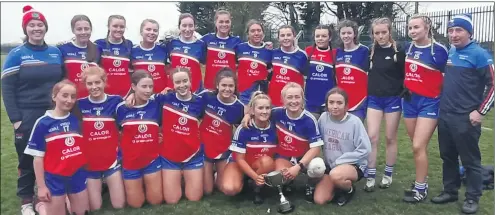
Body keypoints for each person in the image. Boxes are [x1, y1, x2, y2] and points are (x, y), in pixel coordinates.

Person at [1, 5, 64, 215]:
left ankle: (45, 193)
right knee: (27, 157)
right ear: (25, 28)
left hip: (53, 113)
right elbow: (7, 88)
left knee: (53, 155)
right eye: (32, 25)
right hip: (27, 114)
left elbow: (62, 82)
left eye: (40, 25)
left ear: (45, 28)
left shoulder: (55, 52)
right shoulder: (17, 54)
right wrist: (16, 119)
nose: (36, 28)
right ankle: (26, 201)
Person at [431, 14, 494, 214]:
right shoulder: (451, 52)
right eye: (451, 31)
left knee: (470, 160)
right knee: (448, 157)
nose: (454, 34)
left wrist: (480, 111)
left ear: (469, 32)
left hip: (466, 118)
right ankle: (450, 190)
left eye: (459, 30)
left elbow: (493, 85)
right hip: (446, 115)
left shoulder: (480, 54)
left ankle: (472, 197)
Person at [242, 82, 323, 202]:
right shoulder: (277, 113)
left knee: (318, 166)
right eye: (289, 97)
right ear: (283, 100)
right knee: (280, 177)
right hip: (284, 157)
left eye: (297, 97)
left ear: (302, 99)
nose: (293, 101)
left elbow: (316, 148)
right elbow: (260, 110)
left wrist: (298, 166)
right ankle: (288, 183)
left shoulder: (309, 119)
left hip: (304, 158)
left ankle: (310, 186)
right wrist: (248, 115)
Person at [24, 80, 90, 215]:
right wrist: (42, 187)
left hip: (76, 174)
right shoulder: (43, 123)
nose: (69, 100)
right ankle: (40, 205)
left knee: (83, 212)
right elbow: (37, 159)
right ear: (54, 96)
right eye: (64, 95)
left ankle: (64, 200)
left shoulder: (76, 120)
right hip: (54, 178)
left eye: (73, 96)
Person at [402, 14, 448, 203]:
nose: (412, 31)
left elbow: (448, 78)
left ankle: (420, 189)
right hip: (410, 102)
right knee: (417, 147)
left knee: (418, 145)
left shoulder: (439, 50)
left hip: (430, 103)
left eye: (416, 27)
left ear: (427, 28)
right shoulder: (408, 47)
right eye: (410, 28)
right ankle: (422, 181)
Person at [364, 17, 406, 192]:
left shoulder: (399, 52)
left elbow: (407, 75)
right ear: (373, 34)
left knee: (390, 138)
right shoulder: (370, 52)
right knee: (372, 137)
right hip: (374, 99)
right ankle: (371, 175)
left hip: (393, 100)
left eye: (384, 32)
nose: (380, 36)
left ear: (390, 32)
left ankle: (388, 174)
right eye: (377, 33)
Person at [76, 66, 125, 210]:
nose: (94, 87)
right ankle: (100, 186)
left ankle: (109, 183)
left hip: (112, 160)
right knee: (95, 207)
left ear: (104, 82)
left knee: (119, 205)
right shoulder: (79, 104)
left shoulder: (116, 101)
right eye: (90, 83)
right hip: (90, 162)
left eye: (97, 82)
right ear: (85, 85)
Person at [313, 87, 370, 206]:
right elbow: (316, 140)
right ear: (327, 104)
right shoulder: (323, 118)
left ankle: (349, 190)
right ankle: (337, 186)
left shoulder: (355, 122)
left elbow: (365, 149)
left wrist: (340, 161)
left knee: (336, 175)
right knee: (320, 200)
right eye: (331, 102)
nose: (335, 106)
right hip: (331, 166)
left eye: (339, 103)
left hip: (353, 165)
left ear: (346, 105)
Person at [116, 70, 163, 208]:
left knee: (156, 201)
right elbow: (118, 131)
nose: (148, 90)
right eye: (144, 86)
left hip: (152, 160)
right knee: (135, 204)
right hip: (130, 162)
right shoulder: (121, 108)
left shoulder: (156, 104)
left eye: (150, 87)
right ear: (134, 86)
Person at [221, 91, 277, 204]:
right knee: (230, 189)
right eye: (260, 108)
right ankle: (247, 180)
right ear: (252, 110)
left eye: (267, 108)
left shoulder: (275, 126)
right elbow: (239, 159)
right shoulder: (244, 128)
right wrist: (255, 177)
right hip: (240, 163)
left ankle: (257, 189)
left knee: (267, 161)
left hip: (261, 164)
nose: (264, 111)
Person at [197, 68, 245, 195]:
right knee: (207, 190)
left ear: (235, 87)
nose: (227, 89)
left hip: (223, 148)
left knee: (224, 188)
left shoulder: (239, 107)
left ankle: (224, 173)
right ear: (217, 85)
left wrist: (248, 115)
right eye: (224, 85)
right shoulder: (206, 97)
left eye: (231, 86)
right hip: (204, 147)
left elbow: (244, 128)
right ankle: (207, 172)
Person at [335, 19, 370, 121]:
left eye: (349, 33)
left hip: (359, 102)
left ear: (355, 34)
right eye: (343, 33)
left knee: (354, 133)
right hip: (341, 100)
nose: (346, 36)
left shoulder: (364, 51)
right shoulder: (337, 52)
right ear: (340, 35)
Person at [58, 14, 99, 99]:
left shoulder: (98, 49)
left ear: (91, 30)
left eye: (86, 29)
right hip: (70, 100)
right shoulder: (63, 48)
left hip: (92, 100)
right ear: (73, 30)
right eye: (79, 29)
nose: (83, 32)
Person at [202, 9, 242, 90]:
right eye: (221, 22)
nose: (224, 24)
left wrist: (265, 46)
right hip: (210, 87)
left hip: (228, 88)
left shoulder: (237, 42)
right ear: (215, 23)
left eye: (227, 22)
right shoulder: (206, 39)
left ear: (231, 23)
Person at [268, 25, 308, 107]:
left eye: (288, 35)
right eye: (282, 35)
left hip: (293, 103)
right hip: (273, 101)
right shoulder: (273, 53)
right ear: (278, 38)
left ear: (294, 36)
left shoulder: (302, 55)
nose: (286, 38)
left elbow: (306, 80)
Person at [94, 15, 134, 97]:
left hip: (126, 92)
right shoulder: (99, 44)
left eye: (122, 27)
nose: (118, 29)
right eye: (115, 26)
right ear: (108, 27)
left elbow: (132, 68)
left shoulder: (129, 44)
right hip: (104, 92)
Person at [166, 13, 206, 93]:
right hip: (174, 89)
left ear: (195, 27)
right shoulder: (171, 43)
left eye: (191, 25)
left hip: (194, 90)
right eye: (184, 25)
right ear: (179, 27)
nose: (187, 29)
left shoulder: (201, 44)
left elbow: (204, 65)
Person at [236, 19, 273, 104]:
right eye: (252, 31)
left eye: (259, 30)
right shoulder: (240, 48)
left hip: (261, 96)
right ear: (248, 34)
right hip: (242, 96)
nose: (256, 33)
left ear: (263, 33)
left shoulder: (269, 51)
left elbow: (271, 74)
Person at [304, 24, 337, 119]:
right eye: (317, 36)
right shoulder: (308, 51)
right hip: (310, 102)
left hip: (329, 102)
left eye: (324, 36)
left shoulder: (335, 53)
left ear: (330, 38)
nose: (320, 38)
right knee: (311, 131)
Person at [131, 19, 169, 94]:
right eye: (148, 29)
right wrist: (132, 94)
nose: (152, 32)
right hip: (141, 97)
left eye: (155, 30)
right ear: (141, 32)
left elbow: (170, 70)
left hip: (161, 96)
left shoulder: (164, 49)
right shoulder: (132, 50)